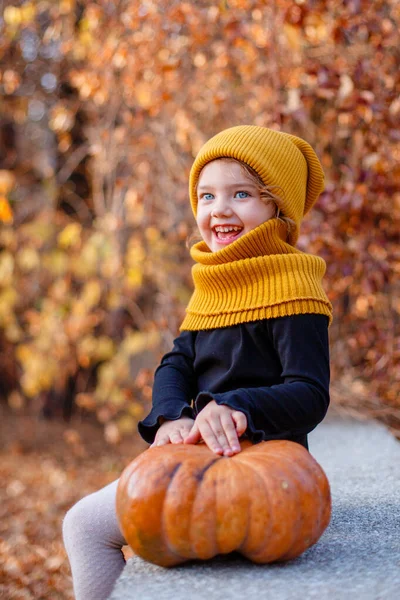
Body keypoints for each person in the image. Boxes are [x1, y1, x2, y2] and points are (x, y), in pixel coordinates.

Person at [62, 125, 333, 600]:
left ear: (277, 207)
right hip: (194, 451)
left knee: (93, 526)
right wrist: (171, 414)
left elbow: (309, 394)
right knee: (85, 525)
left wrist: (236, 405)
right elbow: (176, 363)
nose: (220, 209)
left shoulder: (297, 290)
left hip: (267, 469)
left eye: (241, 194)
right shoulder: (213, 284)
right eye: (206, 196)